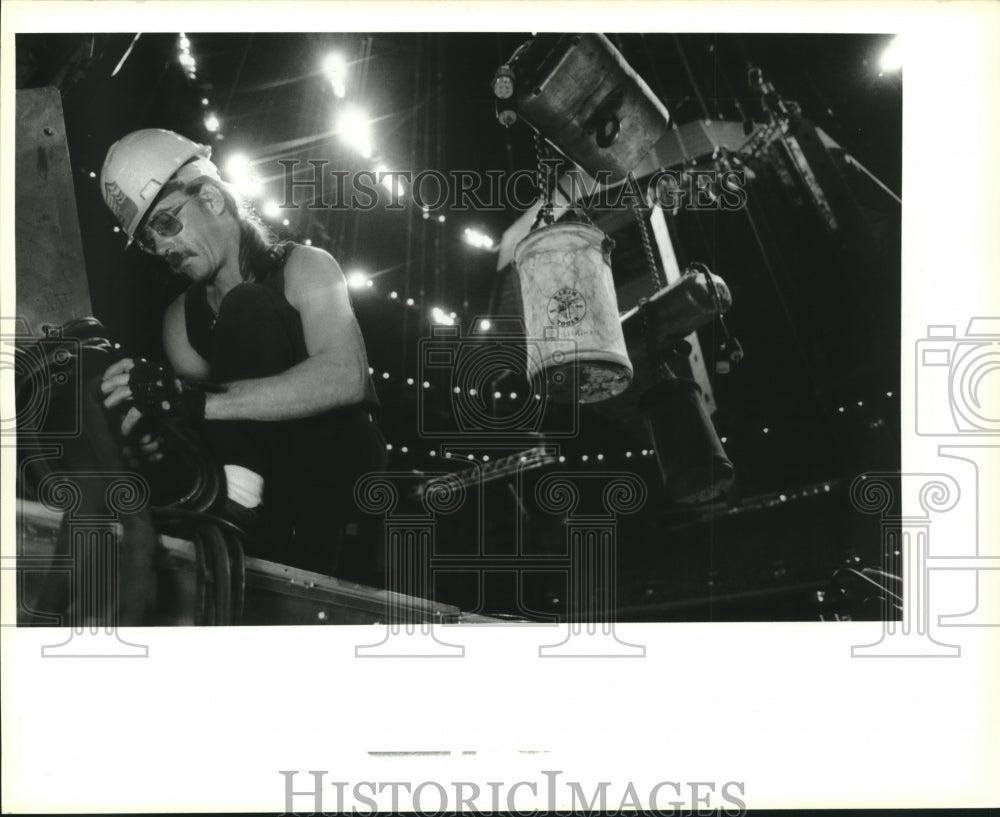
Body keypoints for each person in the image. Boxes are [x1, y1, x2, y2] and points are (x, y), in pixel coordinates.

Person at [98, 129, 386, 578]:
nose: (162, 249)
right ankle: (237, 512)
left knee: (247, 304)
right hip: (268, 499)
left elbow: (346, 377)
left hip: (339, 478)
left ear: (211, 199)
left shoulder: (307, 266)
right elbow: (206, 432)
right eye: (148, 241)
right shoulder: (181, 319)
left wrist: (190, 399)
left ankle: (238, 508)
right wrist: (153, 424)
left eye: (165, 224)